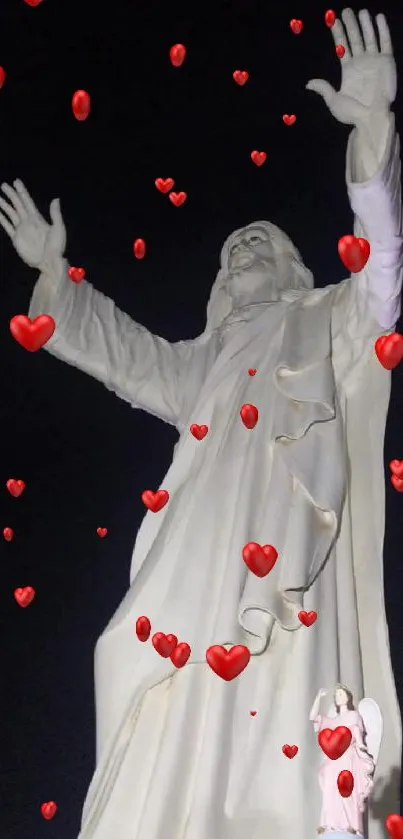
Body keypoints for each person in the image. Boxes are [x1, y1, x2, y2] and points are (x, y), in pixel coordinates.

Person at [0, 8, 402, 839]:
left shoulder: (328, 319)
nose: (238, 251)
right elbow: (125, 353)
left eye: (257, 242)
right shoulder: (203, 363)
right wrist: (56, 278)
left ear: (292, 265)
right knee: (158, 689)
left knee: (280, 698)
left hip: (291, 553)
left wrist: (371, 134)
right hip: (197, 553)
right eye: (228, 252)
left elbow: (382, 278)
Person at [310, 686, 375, 835]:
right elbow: (313, 717)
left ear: (347, 697)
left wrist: (361, 745)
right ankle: (328, 823)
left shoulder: (353, 715)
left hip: (347, 757)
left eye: (341, 694)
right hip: (334, 759)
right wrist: (318, 697)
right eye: (337, 694)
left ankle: (351, 824)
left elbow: (356, 732)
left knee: (346, 790)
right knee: (330, 790)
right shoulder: (333, 720)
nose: (339, 696)